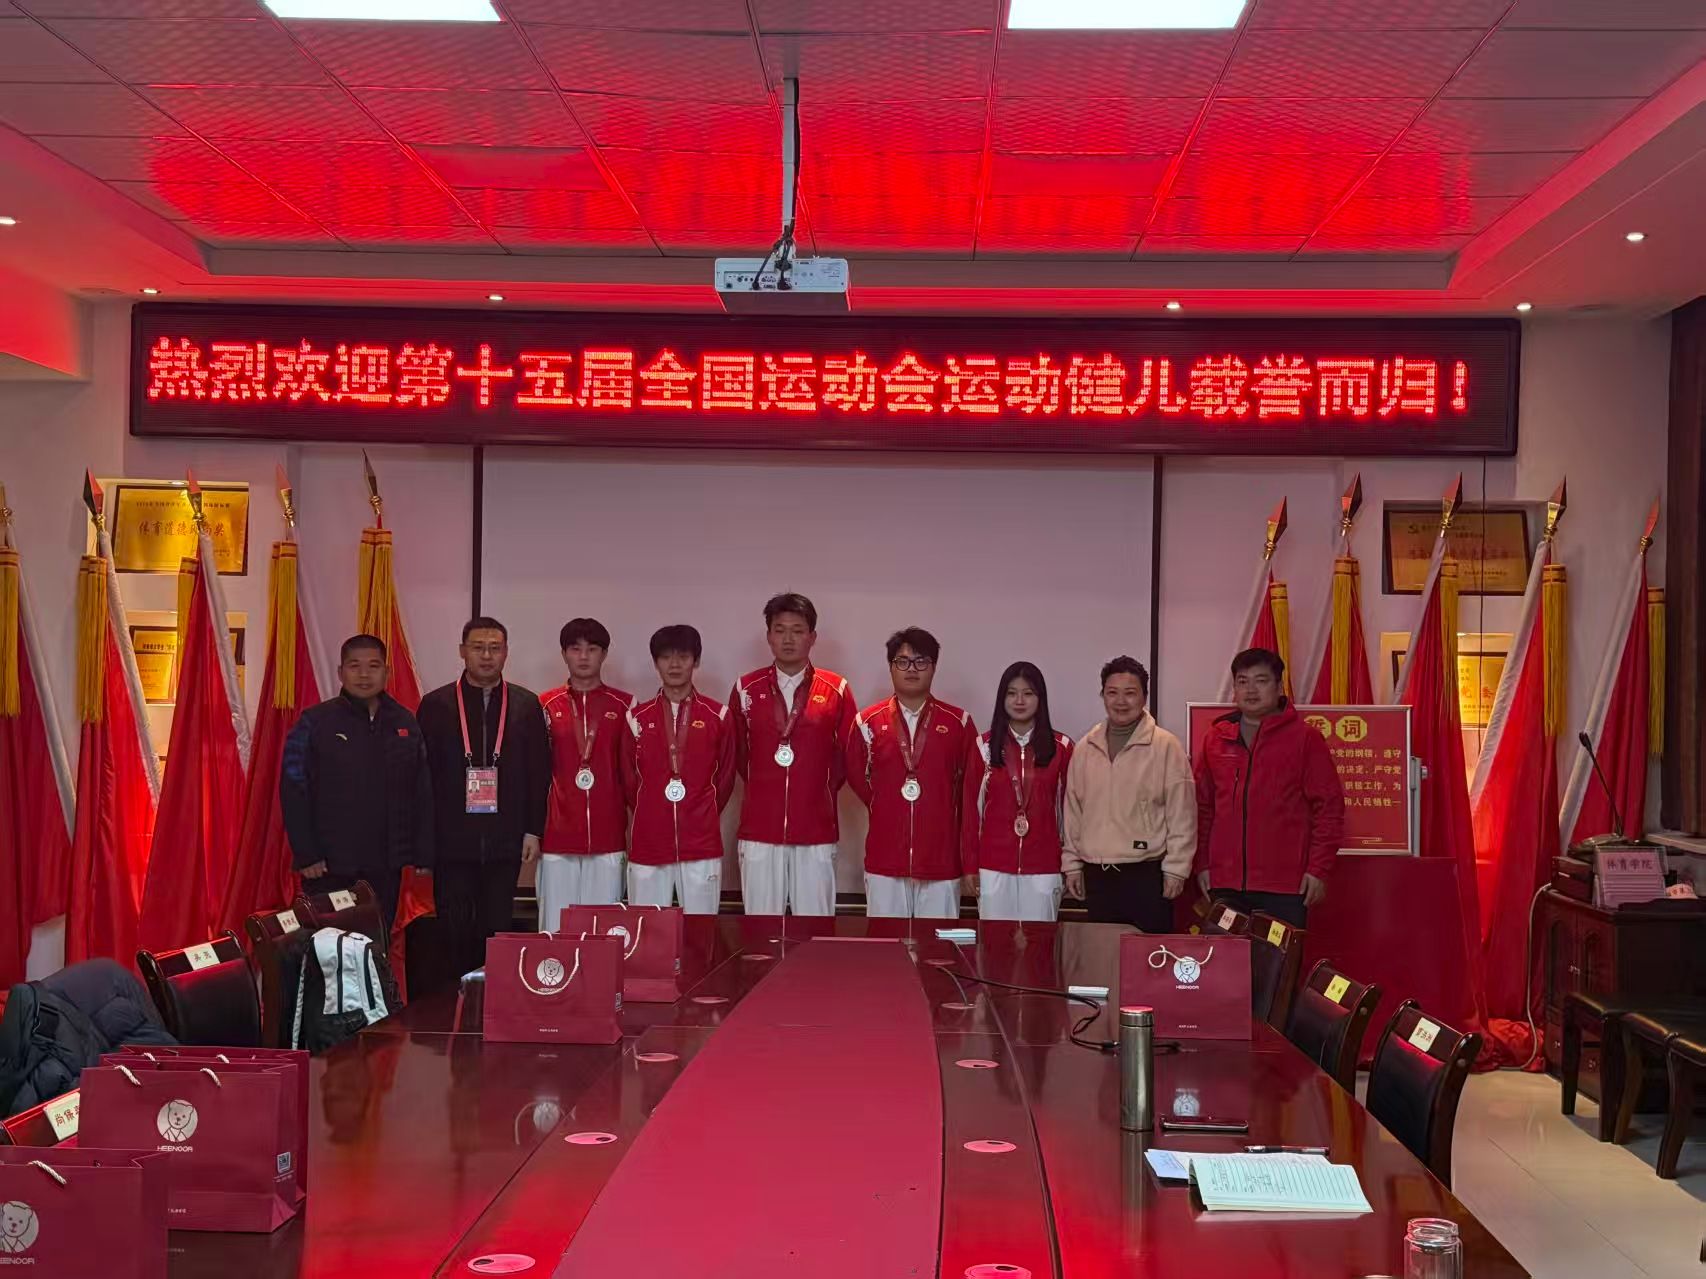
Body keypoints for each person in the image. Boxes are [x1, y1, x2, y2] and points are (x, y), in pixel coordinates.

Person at [417, 617, 550, 980]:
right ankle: (455, 1000)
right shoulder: (436, 705)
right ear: (462, 651)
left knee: (497, 927)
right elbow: (422, 779)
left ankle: (493, 1000)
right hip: (451, 842)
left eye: (495, 648)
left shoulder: (525, 704)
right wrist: (424, 843)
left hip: (505, 839)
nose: (486, 656)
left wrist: (533, 830)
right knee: (454, 931)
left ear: (506, 653)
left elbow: (538, 773)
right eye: (478, 647)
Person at [281, 634, 432, 933]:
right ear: (341, 672)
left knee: (376, 942)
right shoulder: (315, 722)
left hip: (386, 865)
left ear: (386, 672)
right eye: (355, 666)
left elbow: (421, 790)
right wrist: (308, 854)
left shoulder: (404, 722)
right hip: (329, 866)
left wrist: (423, 853)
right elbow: (293, 789)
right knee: (331, 945)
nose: (364, 675)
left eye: (373, 666)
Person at [1195, 647, 1344, 928]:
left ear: (1279, 687)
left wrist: (1318, 869)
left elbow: (1329, 809)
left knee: (1276, 957)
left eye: (1261, 680)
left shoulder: (1305, 739)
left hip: (1285, 886)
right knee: (1222, 956)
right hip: (1224, 882)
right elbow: (1203, 807)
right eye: (1242, 681)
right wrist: (1201, 864)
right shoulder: (1216, 739)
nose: (1251, 690)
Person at [729, 593, 856, 916]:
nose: (788, 639)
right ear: (768, 636)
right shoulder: (746, 689)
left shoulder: (836, 689)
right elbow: (739, 755)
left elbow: (846, 756)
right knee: (761, 928)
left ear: (812, 637)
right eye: (780, 630)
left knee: (815, 930)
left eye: (798, 631)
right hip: (760, 830)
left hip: (815, 831)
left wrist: (817, 790)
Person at [846, 627, 978, 919]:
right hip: (885, 860)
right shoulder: (867, 722)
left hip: (941, 862)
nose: (912, 669)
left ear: (934, 666)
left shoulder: (959, 723)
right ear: (891, 666)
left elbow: (968, 793)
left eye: (921, 661)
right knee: (886, 944)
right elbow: (858, 778)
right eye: (903, 661)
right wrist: (886, 804)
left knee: (938, 944)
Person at [1062, 655, 1195, 932]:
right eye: (1112, 693)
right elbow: (1074, 812)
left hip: (1147, 875)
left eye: (1130, 693)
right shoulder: (1085, 748)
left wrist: (1177, 868)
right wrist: (1072, 864)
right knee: (1102, 954)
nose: (1121, 701)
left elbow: (1182, 813)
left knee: (1147, 955)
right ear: (1102, 695)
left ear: (1144, 696)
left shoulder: (1166, 746)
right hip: (1096, 876)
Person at [621, 624, 737, 914]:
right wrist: (652, 811)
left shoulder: (718, 716)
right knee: (648, 929)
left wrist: (701, 812)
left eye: (683, 657)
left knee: (700, 930)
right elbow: (628, 780)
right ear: (655, 662)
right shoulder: (636, 718)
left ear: (696, 661)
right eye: (665, 657)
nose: (674, 665)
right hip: (649, 844)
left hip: (701, 845)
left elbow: (725, 778)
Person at [538, 618, 635, 928]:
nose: (583, 657)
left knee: (602, 931)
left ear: (604, 654)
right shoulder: (544, 705)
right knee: (555, 928)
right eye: (575, 649)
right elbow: (535, 773)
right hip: (557, 836)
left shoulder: (625, 706)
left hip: (608, 837)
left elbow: (631, 773)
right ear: (564, 653)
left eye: (592, 649)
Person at [963, 661, 1074, 922]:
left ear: (1040, 698)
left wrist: (1071, 865)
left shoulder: (1062, 748)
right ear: (1002, 699)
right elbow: (970, 813)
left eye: (1028, 693)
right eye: (1012, 693)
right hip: (993, 867)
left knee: (1040, 942)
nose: (1020, 701)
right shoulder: (983, 747)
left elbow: (1072, 814)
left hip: (1044, 868)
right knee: (994, 943)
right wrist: (970, 866)